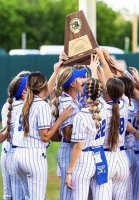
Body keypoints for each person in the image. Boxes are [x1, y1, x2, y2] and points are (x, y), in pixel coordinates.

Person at [12, 71, 73, 200]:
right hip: (33, 156)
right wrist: (60, 119)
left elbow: (45, 93)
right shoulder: (42, 106)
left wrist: (57, 70)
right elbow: (45, 136)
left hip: (17, 156)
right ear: (43, 86)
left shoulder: (24, 104)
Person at [65, 78, 109, 200]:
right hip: (100, 157)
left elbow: (78, 146)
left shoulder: (81, 116)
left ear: (85, 93)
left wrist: (69, 172)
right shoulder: (104, 112)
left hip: (84, 159)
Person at [51, 66, 87, 200]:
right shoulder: (67, 102)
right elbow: (67, 134)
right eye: (79, 77)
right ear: (72, 83)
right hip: (68, 150)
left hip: (70, 150)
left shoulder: (72, 98)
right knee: (68, 195)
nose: (82, 80)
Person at [93, 77, 130, 200]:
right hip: (122, 157)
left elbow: (93, 91)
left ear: (107, 91)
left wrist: (95, 70)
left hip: (105, 158)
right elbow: (114, 91)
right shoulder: (125, 104)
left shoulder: (101, 107)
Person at [1, 71, 30, 200]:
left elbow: (5, 132)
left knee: (8, 195)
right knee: (24, 195)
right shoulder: (28, 105)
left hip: (7, 152)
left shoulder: (8, 104)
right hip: (17, 152)